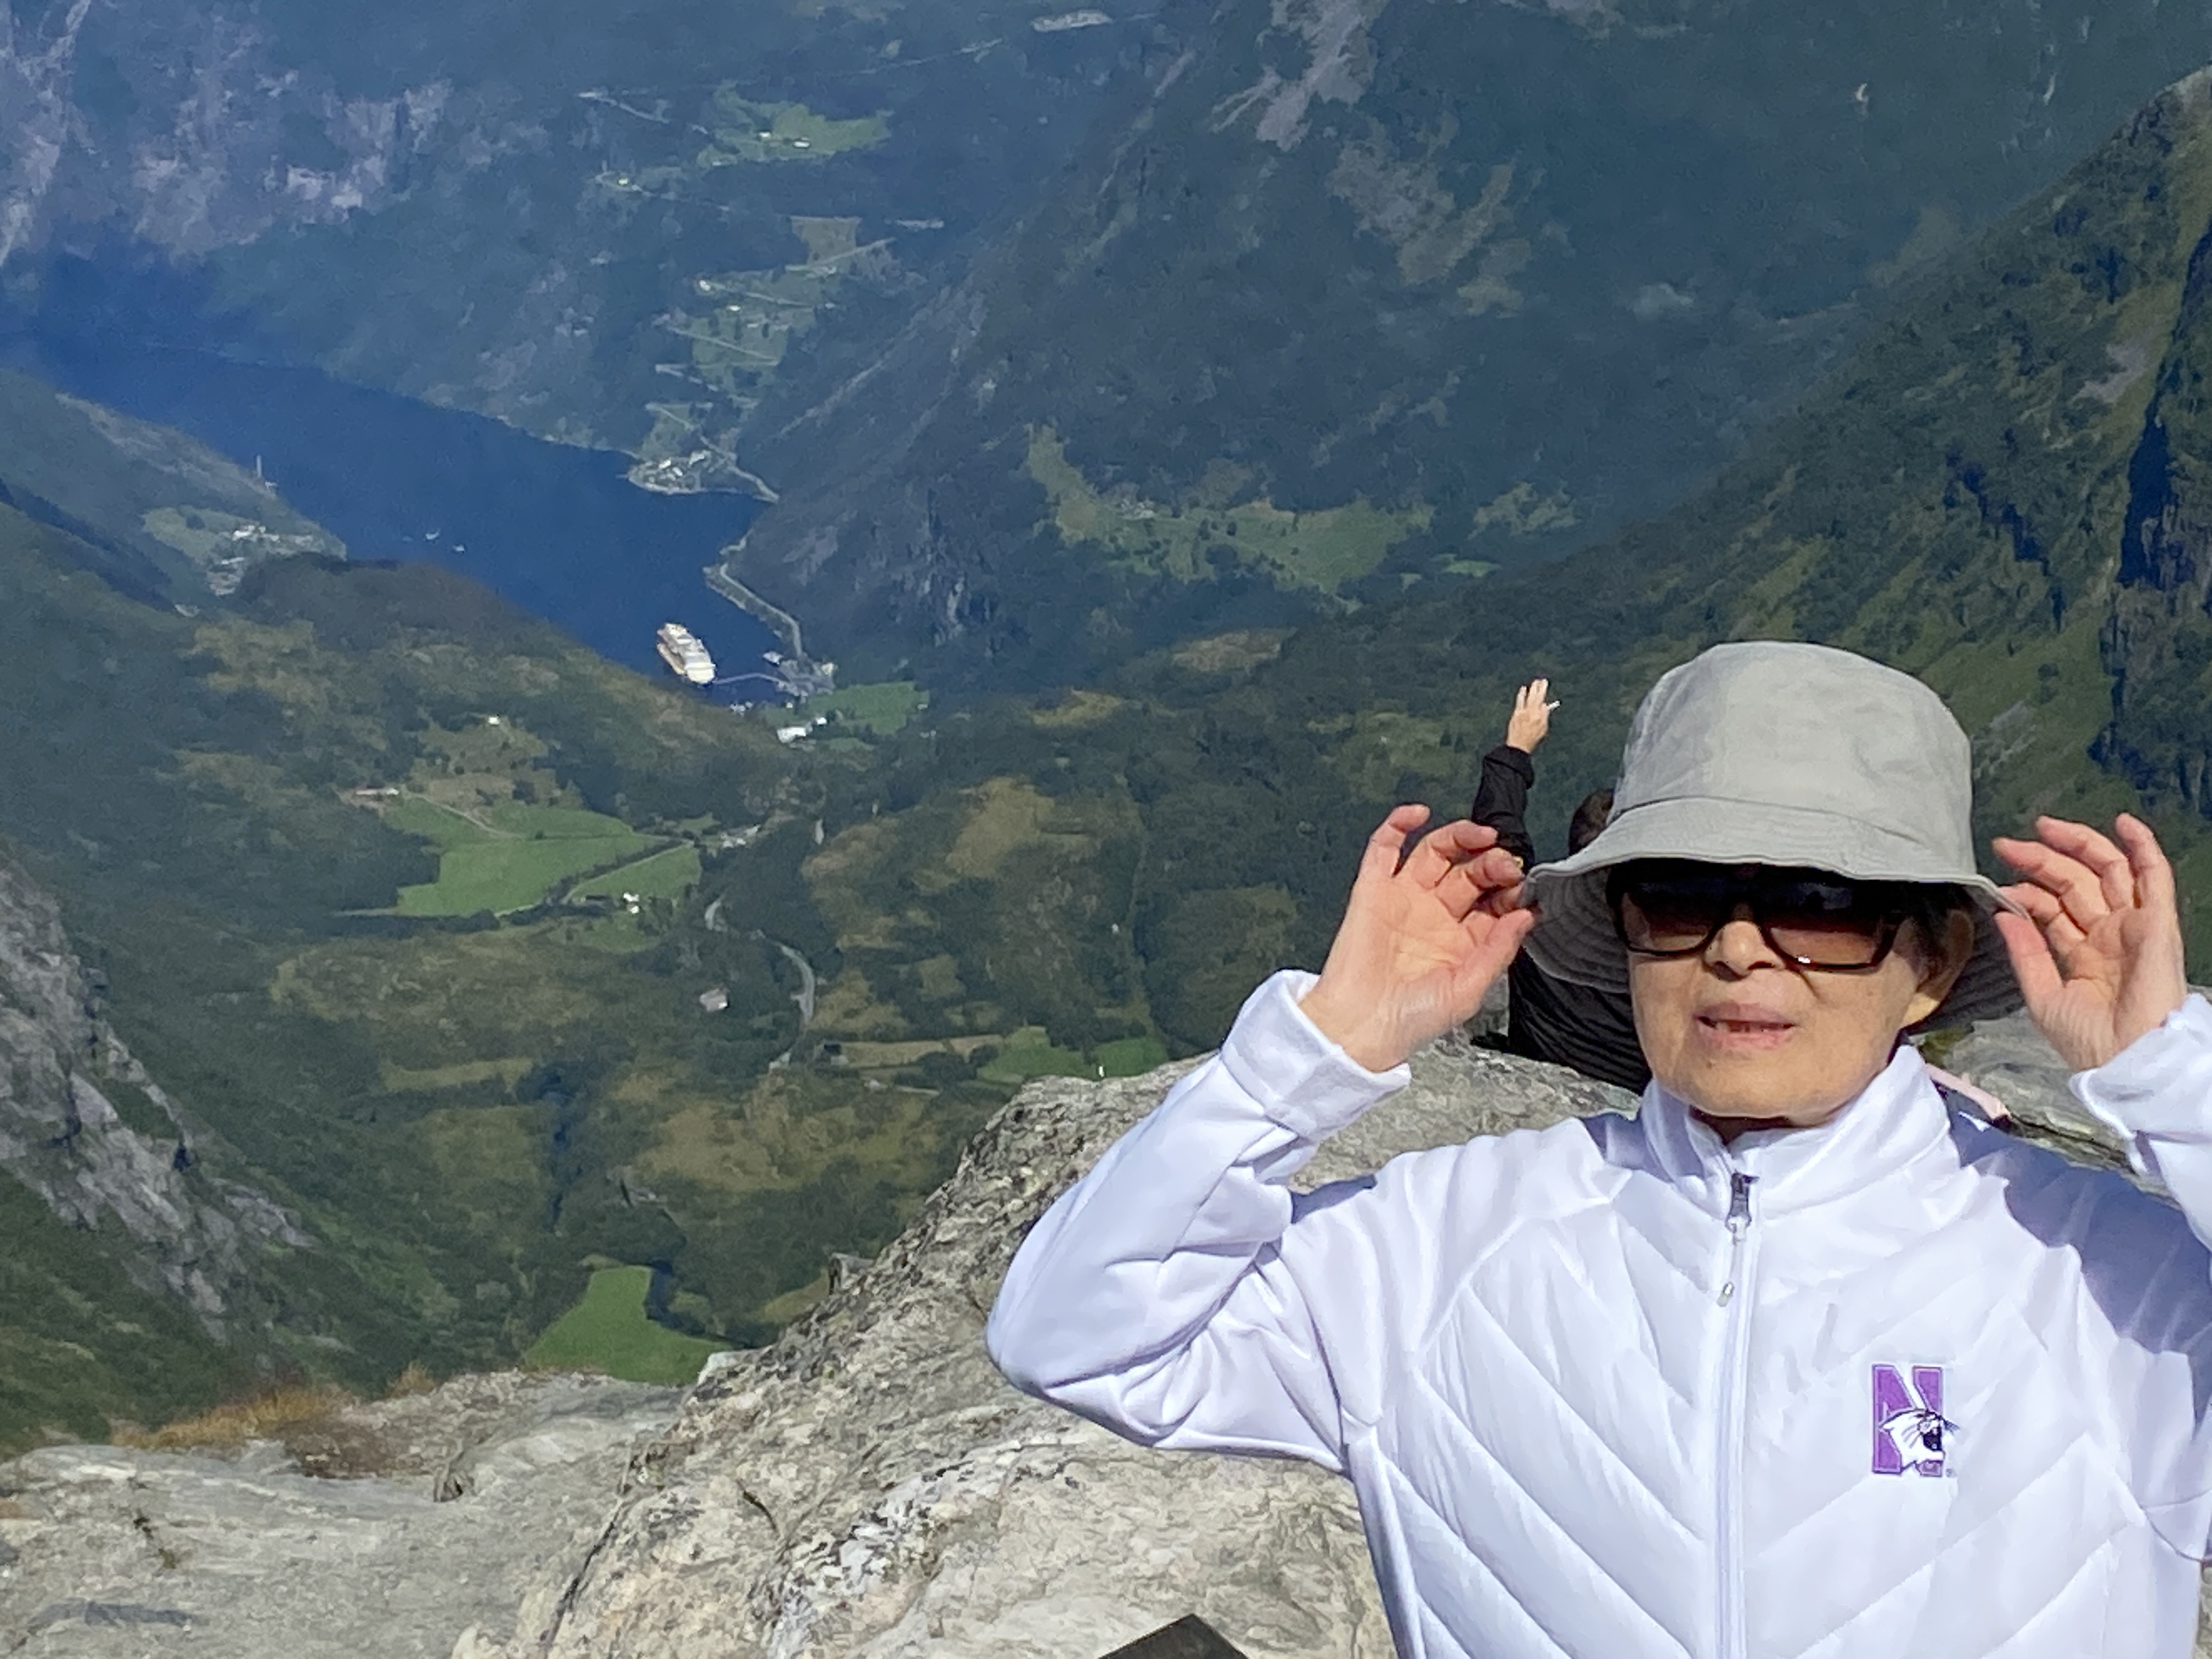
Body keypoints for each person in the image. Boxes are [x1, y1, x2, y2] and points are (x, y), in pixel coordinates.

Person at [988, 641, 2207, 1658]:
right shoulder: (1437, 1248)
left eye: (1821, 902)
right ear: (1626, 932)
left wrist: (2167, 1077)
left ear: (1932, 962)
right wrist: (1317, 1049)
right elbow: (1074, 1336)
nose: (1738, 948)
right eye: (1679, 894)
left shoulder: (2104, 1282)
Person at [1468, 676, 1649, 1092]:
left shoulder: (1526, 914)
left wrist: (1517, 747)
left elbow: (1497, 839)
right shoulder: (1672, 943)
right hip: (1638, 1097)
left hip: (1535, 1076)